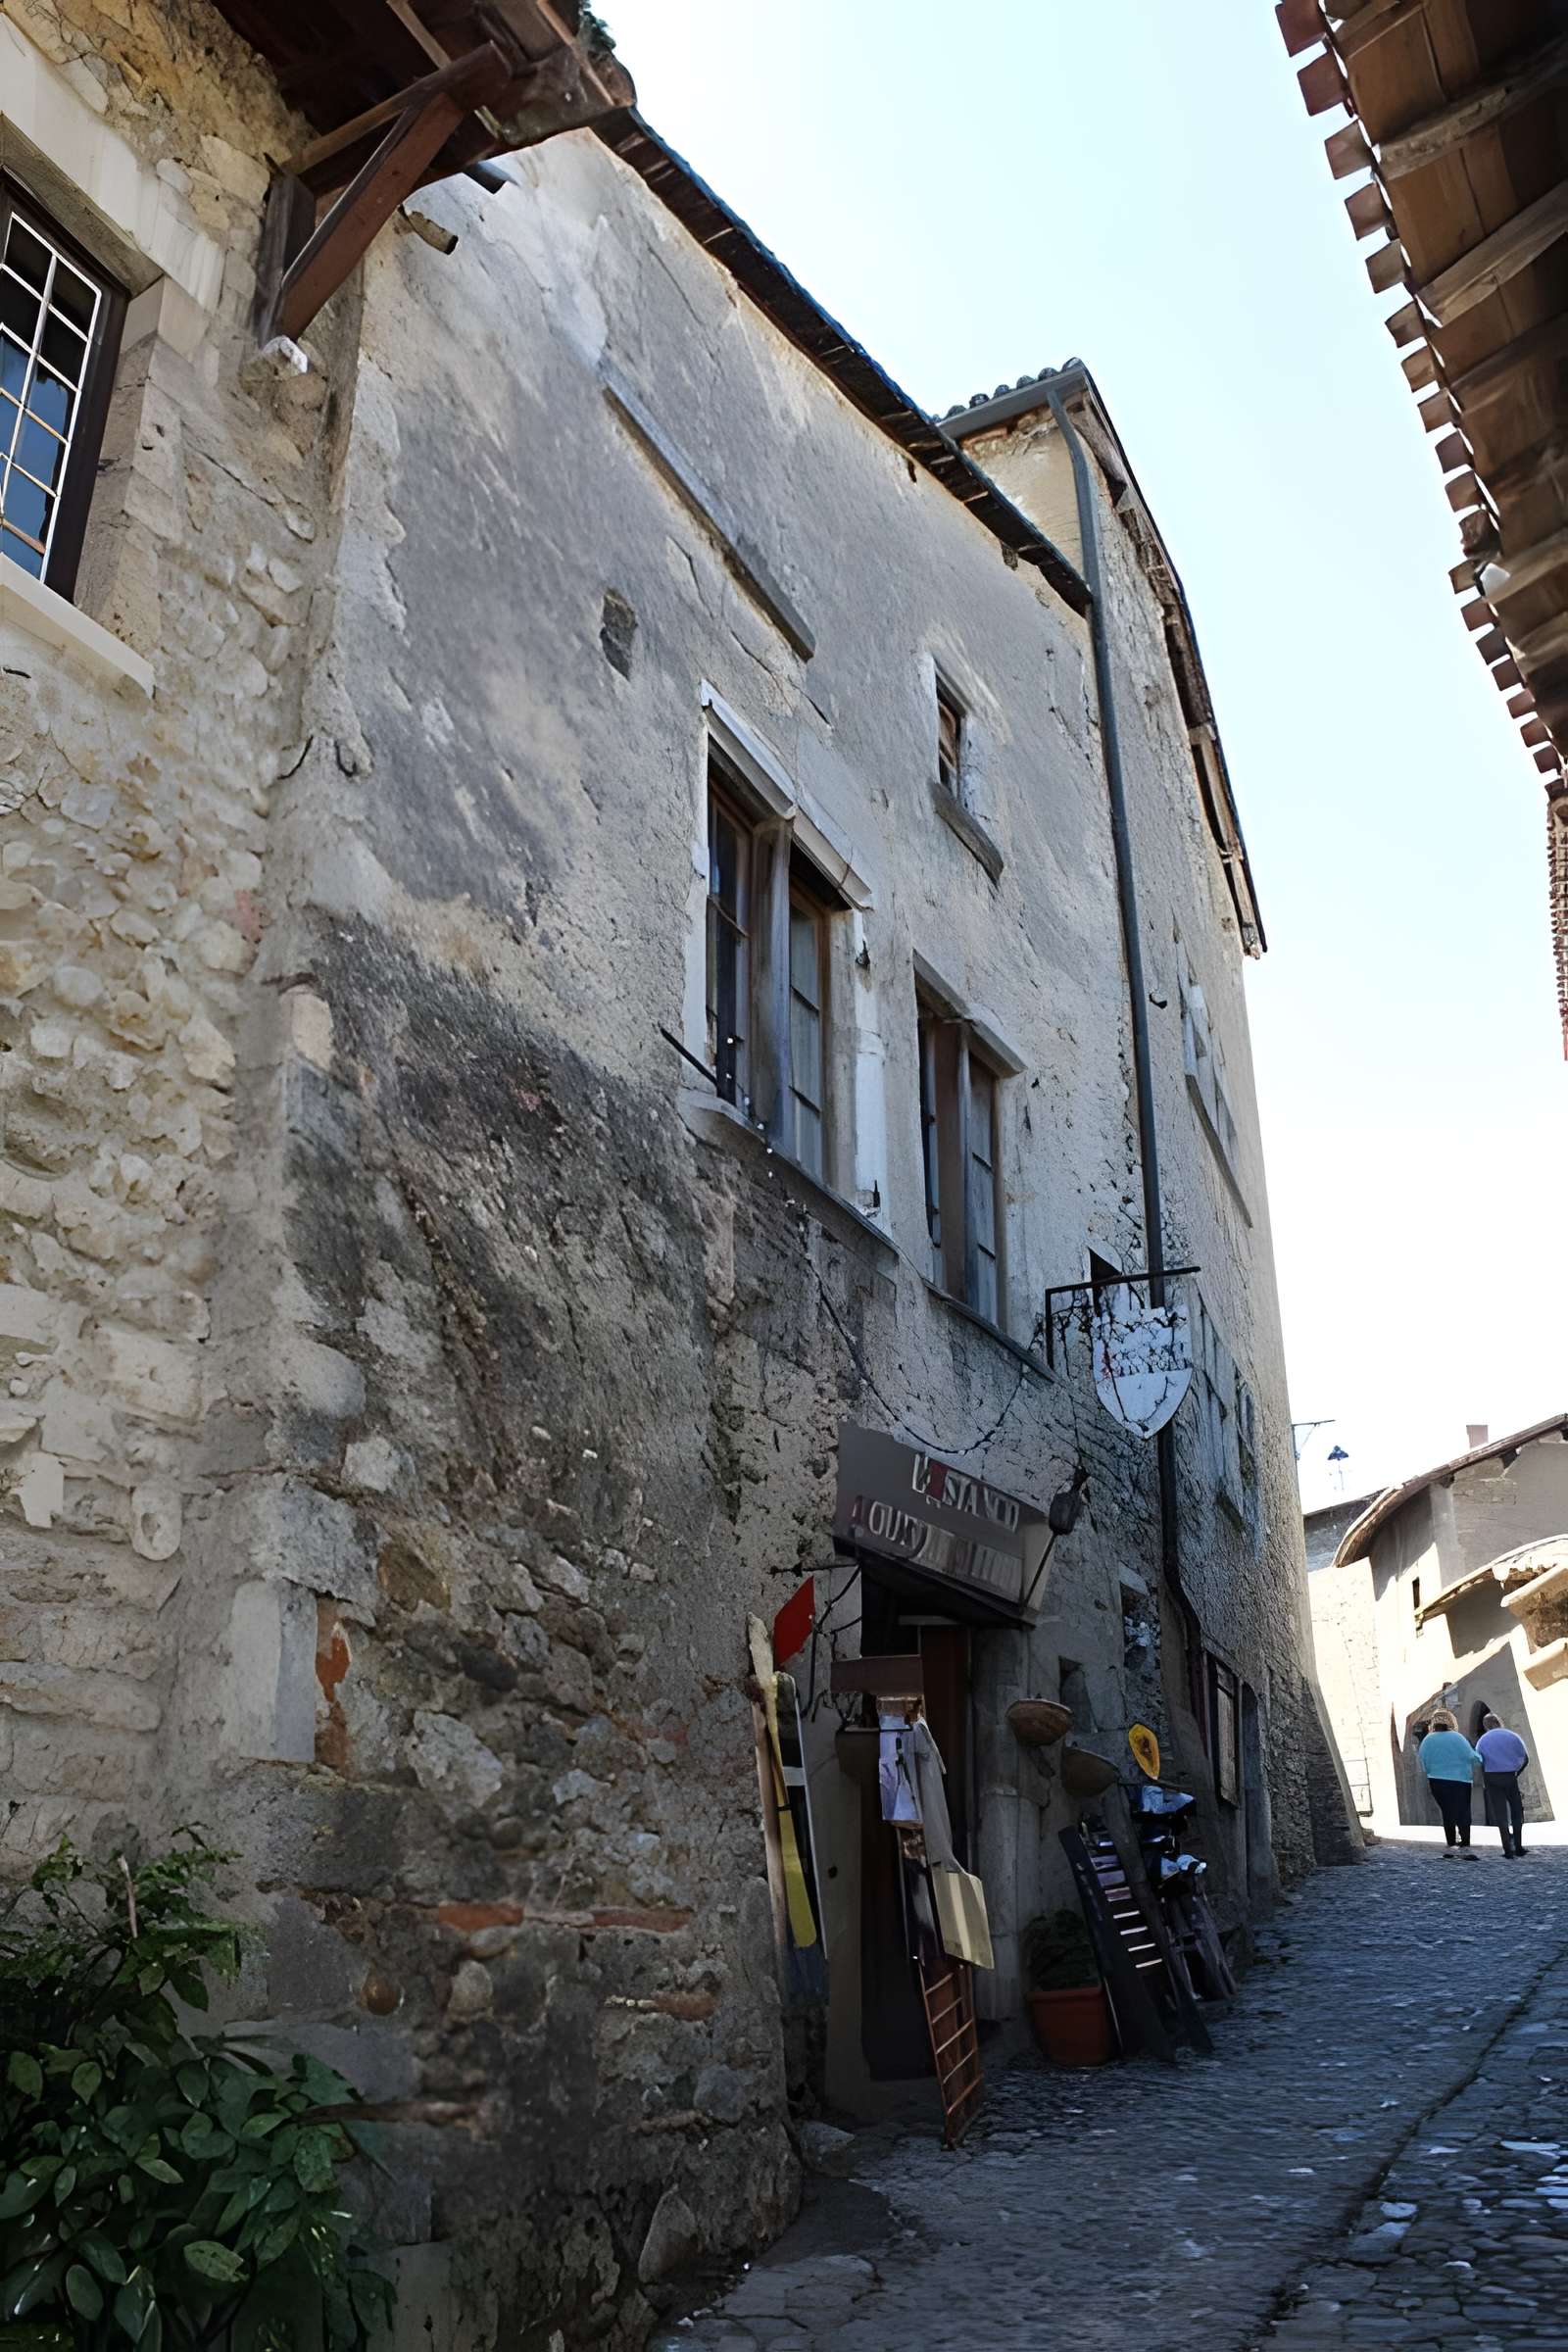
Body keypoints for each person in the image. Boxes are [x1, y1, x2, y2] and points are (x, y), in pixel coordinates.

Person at [1417, 1709, 1482, 1858]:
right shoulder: (1457, 1738)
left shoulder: (1427, 1740)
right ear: (1451, 1722)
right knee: (1463, 1811)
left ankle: (1451, 1842)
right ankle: (1465, 1842)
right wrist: (1480, 1758)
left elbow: (1423, 1762)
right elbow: (1472, 1757)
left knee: (1447, 1812)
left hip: (1437, 1780)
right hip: (1461, 1780)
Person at [1476, 1711, 1531, 1858]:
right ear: (1500, 1722)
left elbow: (1479, 1760)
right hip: (1510, 1776)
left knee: (1501, 1814)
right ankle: (1519, 1847)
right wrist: (1516, 1772)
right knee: (1516, 1811)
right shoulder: (1513, 1736)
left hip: (1492, 1777)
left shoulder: (1483, 1740)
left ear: (1486, 1726)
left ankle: (1507, 1849)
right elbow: (1526, 1759)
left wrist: (1485, 1779)